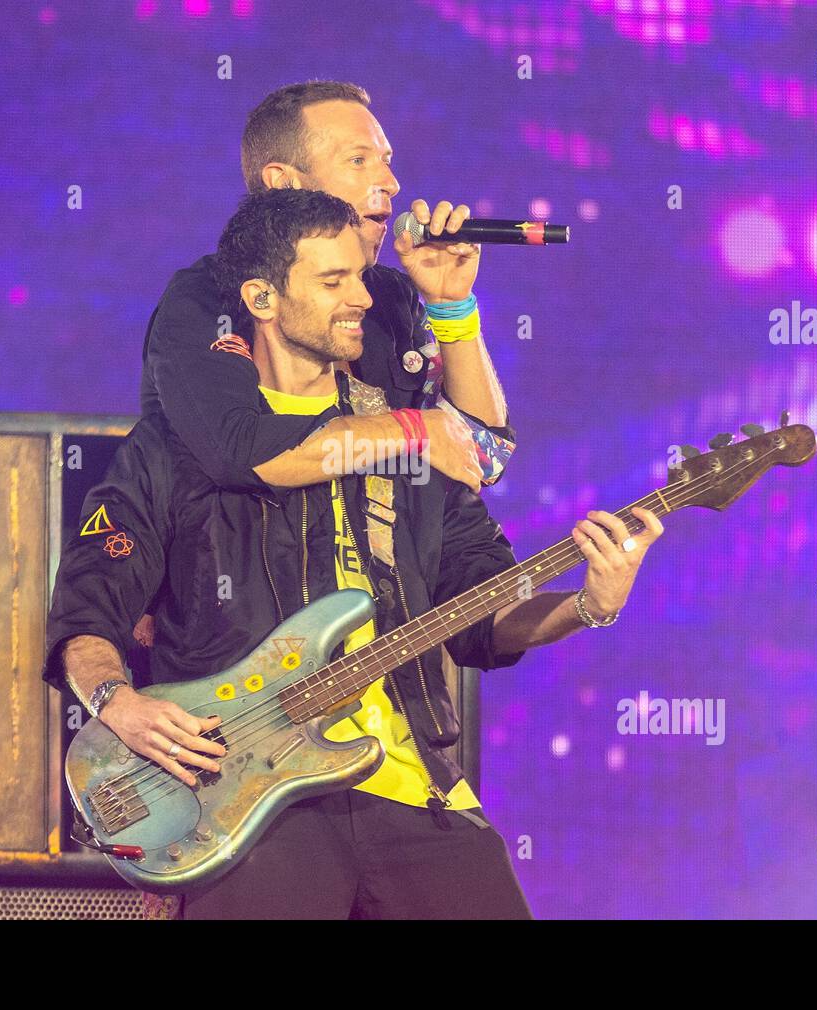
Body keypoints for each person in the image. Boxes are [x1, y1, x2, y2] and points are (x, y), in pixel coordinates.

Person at [44, 189, 664, 919]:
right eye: (332, 282)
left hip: (412, 786)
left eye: (360, 277)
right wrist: (119, 704)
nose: (361, 299)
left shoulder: (409, 434)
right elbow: (88, 609)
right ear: (262, 298)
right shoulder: (178, 449)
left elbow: (483, 614)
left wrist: (591, 605)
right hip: (252, 804)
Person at [139, 79, 515, 498]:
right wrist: (413, 430)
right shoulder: (207, 296)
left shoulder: (389, 300)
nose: (391, 183)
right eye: (358, 160)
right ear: (282, 183)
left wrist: (451, 304)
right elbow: (236, 450)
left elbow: (483, 458)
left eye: (387, 161)